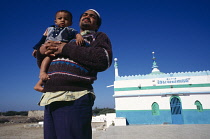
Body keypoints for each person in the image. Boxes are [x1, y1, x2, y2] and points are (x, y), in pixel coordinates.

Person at [36, 9, 112, 139]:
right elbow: (46, 63)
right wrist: (41, 52)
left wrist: (65, 48)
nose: (87, 16)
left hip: (74, 96)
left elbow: (103, 60)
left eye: (92, 16)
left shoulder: (98, 36)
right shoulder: (67, 36)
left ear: (97, 24)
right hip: (50, 97)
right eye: (84, 14)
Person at [33, 10, 84, 92]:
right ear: (55, 21)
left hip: (59, 49)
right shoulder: (49, 29)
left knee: (52, 66)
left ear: (70, 22)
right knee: (47, 58)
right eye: (60, 18)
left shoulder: (70, 30)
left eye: (66, 19)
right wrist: (36, 48)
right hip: (48, 47)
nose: (63, 20)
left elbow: (77, 34)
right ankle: (42, 73)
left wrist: (79, 37)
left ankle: (38, 84)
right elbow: (42, 39)